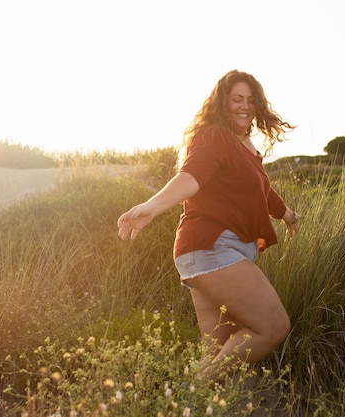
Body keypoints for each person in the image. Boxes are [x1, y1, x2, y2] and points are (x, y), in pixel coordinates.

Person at [117, 69, 301, 385]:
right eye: (236, 99)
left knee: (216, 350)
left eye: (250, 99)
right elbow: (191, 177)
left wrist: (287, 215)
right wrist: (152, 207)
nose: (244, 106)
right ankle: (194, 390)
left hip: (203, 254)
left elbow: (261, 191)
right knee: (273, 327)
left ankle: (191, 404)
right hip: (215, 249)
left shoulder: (244, 145)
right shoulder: (213, 137)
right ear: (222, 103)